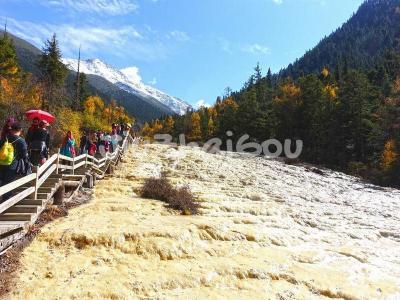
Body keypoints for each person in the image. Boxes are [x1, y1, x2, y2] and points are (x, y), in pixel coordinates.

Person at [0, 123, 31, 201]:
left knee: (2, 180)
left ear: (11, 129)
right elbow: (24, 154)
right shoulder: (21, 141)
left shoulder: (4, 138)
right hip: (13, 164)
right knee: (8, 182)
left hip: (1, 162)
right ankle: (6, 201)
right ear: (20, 130)